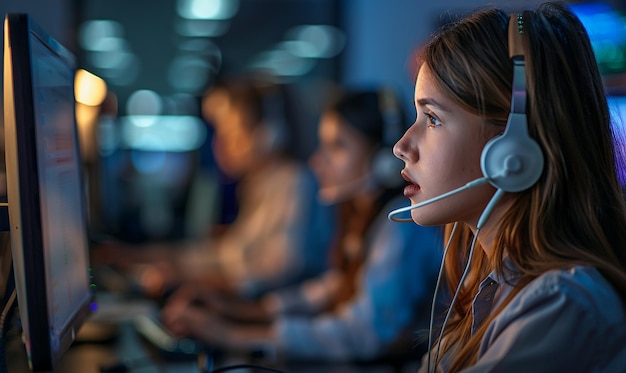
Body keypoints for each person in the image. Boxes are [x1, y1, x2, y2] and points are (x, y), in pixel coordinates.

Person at [389, 2, 626, 372]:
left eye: (432, 118)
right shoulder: (488, 289)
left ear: (512, 150)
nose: (401, 147)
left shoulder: (562, 307)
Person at [160, 89, 444, 364]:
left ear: (383, 158)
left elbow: (364, 333)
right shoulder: (362, 213)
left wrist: (235, 334)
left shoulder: (402, 223)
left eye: (338, 147)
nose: (318, 161)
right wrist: (244, 311)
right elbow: (332, 287)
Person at [92, 76, 335, 301]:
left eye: (232, 131)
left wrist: (182, 278)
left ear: (267, 135)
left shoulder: (293, 183)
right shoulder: (261, 184)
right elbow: (225, 257)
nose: (222, 143)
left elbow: (271, 274)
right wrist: (138, 256)